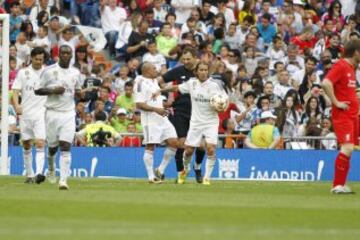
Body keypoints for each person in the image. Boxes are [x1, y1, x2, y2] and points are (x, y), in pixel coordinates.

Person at [160, 61, 227, 185]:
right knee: (189, 151)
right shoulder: (192, 84)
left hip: (211, 122)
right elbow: (176, 87)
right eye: (200, 70)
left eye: (205, 70)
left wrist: (221, 107)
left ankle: (207, 177)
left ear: (208, 71)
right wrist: (160, 90)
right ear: (196, 72)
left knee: (210, 149)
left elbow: (224, 101)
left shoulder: (214, 86)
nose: (203, 72)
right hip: (196, 123)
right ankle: (186, 169)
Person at [35, 45, 82, 190]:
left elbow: (78, 91)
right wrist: (53, 90)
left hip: (68, 113)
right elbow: (37, 90)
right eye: (63, 53)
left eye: (69, 53)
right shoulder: (48, 71)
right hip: (52, 113)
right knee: (52, 148)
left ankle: (63, 181)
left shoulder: (76, 72)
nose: (66, 55)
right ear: (58, 54)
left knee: (66, 146)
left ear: (71, 55)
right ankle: (50, 167)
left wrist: (82, 95)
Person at [159, 47, 206, 183]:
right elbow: (160, 80)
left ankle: (197, 168)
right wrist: (167, 96)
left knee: (202, 145)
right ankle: (181, 173)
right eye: (183, 59)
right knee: (181, 143)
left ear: (195, 58)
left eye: (188, 59)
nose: (185, 61)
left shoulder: (202, 71)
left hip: (198, 111)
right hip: (180, 111)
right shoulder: (178, 71)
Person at [321, 39, 360, 194]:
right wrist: (336, 102)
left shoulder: (350, 68)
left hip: (353, 116)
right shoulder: (341, 66)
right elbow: (326, 83)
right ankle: (337, 185)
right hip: (343, 115)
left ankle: (340, 184)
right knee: (348, 147)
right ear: (356, 52)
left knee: (349, 148)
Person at [134, 62, 179, 183]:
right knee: (150, 146)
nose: (157, 70)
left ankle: (160, 170)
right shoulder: (140, 82)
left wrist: (163, 106)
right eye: (154, 68)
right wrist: (156, 109)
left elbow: (154, 99)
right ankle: (151, 176)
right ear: (147, 71)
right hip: (151, 120)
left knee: (174, 142)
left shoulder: (154, 81)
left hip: (162, 117)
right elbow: (139, 104)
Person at [12, 47, 47, 184]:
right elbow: (15, 90)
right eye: (37, 59)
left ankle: (39, 174)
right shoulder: (23, 72)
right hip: (26, 113)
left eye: (41, 59)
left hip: (41, 113)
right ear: (31, 58)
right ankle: (30, 174)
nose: (39, 62)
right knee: (26, 144)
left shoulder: (47, 73)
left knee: (40, 143)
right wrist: (16, 106)